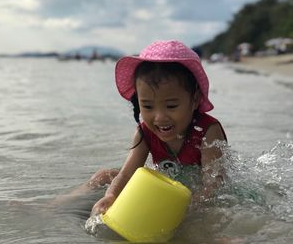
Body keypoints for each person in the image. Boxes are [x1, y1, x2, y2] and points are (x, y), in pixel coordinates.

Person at [88, 40, 227, 216]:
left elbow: (214, 186)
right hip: (166, 185)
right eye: (147, 106)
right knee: (103, 175)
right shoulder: (144, 133)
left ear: (195, 99)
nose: (159, 117)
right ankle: (59, 207)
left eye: (171, 106)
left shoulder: (207, 131)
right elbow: (126, 175)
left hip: (196, 194)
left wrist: (182, 210)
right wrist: (111, 197)